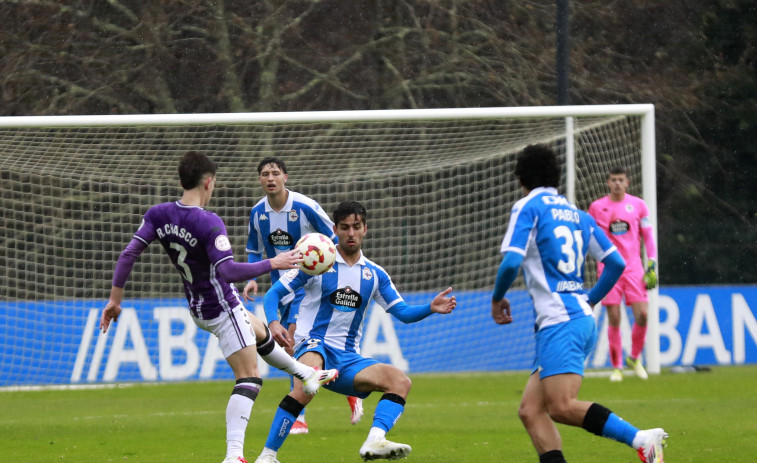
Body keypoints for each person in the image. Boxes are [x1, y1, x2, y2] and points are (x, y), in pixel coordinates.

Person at [99, 151, 339, 463]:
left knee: (260, 332)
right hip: (221, 306)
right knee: (250, 377)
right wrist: (274, 262)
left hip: (199, 304)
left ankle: (305, 373)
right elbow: (227, 271)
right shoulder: (208, 222)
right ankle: (234, 456)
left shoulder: (158, 214)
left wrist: (115, 300)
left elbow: (129, 253)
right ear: (208, 182)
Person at [490, 145, 667, 463]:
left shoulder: (528, 207)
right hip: (575, 318)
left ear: (521, 179)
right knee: (531, 410)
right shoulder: (578, 215)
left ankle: (641, 439)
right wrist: (588, 300)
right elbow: (615, 263)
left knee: (562, 407)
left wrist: (497, 298)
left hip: (560, 323)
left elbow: (511, 262)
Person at [253, 200, 457, 463]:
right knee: (308, 382)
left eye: (356, 227)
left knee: (400, 381)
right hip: (314, 344)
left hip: (348, 357)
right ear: (335, 230)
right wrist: (273, 322)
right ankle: (267, 456)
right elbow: (274, 294)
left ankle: (374, 440)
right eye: (345, 227)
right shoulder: (317, 259)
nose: (351, 233)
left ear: (365, 230)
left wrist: (430, 307)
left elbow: (403, 313)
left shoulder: (375, 274)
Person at [243, 157, 363, 433]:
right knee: (291, 347)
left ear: (286, 177)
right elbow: (254, 248)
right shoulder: (257, 213)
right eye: (264, 174)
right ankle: (350, 389)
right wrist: (251, 277)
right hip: (283, 288)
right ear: (260, 180)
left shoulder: (305, 207)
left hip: (310, 284)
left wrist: (324, 262)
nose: (270, 178)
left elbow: (335, 237)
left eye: (275, 173)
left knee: (295, 339)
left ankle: (299, 415)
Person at [588, 166, 658, 382]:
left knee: (643, 315)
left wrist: (651, 263)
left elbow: (647, 235)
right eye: (613, 180)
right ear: (608, 183)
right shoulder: (597, 207)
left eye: (621, 180)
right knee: (614, 317)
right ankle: (617, 367)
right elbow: (592, 238)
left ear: (627, 182)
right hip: (609, 268)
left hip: (634, 268)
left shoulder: (638, 205)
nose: (617, 183)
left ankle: (634, 358)